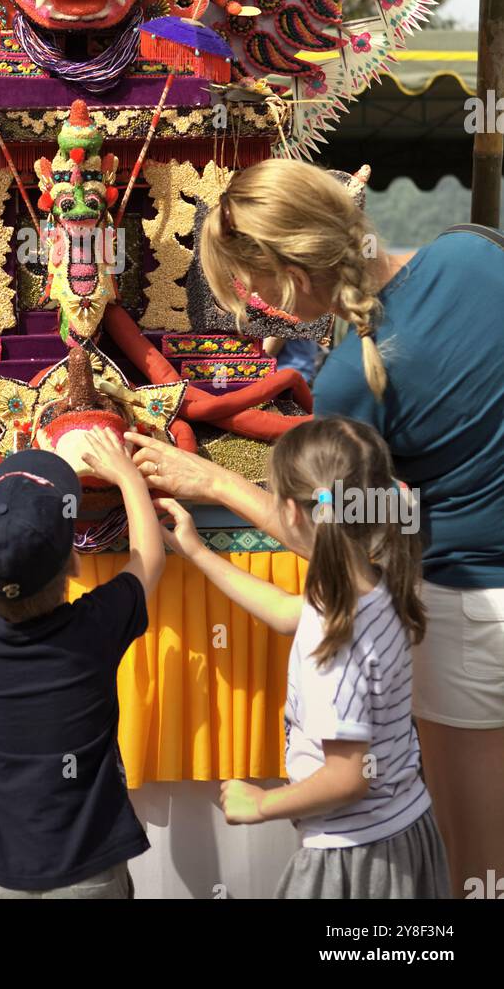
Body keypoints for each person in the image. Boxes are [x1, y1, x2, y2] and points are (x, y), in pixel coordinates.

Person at [125, 159, 504, 898]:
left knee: (479, 864)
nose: (249, 300)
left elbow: (328, 541)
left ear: (292, 270)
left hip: (466, 615)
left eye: (250, 280)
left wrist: (213, 483)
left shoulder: (345, 384)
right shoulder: (476, 250)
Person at [157, 416, 449, 899]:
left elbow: (347, 776)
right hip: (407, 830)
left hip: (352, 857)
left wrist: (261, 803)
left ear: (290, 514)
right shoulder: (377, 581)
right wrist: (198, 553)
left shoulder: (330, 641)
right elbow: (285, 612)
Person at [0, 431, 163, 898]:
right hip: (89, 872)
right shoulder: (92, 631)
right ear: (76, 564)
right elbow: (150, 559)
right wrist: (126, 477)